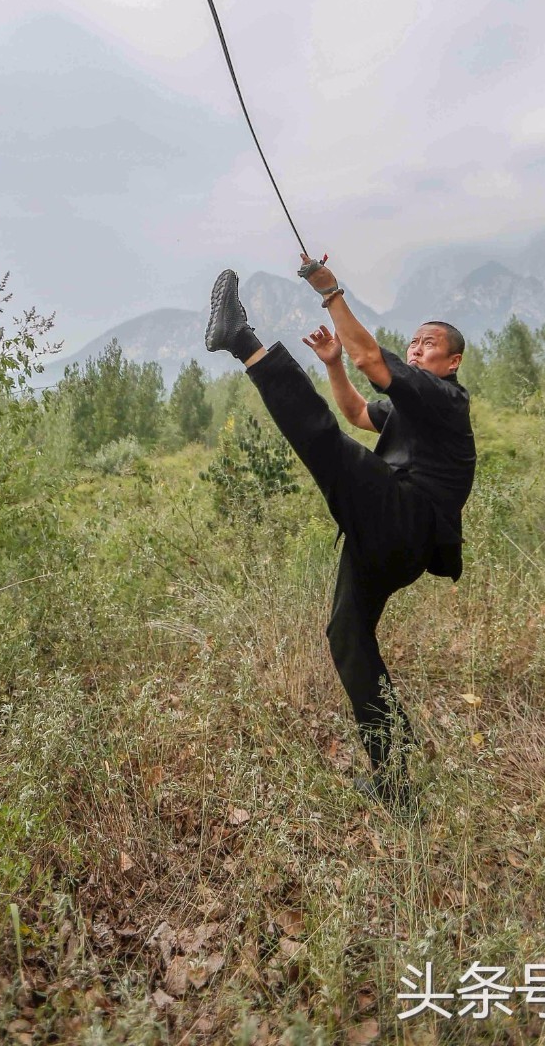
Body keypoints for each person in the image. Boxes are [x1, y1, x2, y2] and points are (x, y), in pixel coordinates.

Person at [205, 255, 476, 809]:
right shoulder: (411, 407)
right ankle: (394, 779)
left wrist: (330, 291)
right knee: (347, 637)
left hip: (408, 519)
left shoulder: (446, 399)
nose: (416, 349)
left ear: (452, 363)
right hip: (388, 542)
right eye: (414, 342)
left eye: (428, 344)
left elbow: (371, 358)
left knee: (325, 445)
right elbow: (356, 412)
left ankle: (242, 341)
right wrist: (333, 365)